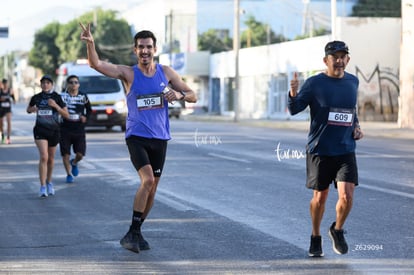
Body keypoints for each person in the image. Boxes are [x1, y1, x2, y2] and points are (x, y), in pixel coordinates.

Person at [79, 23, 197, 253]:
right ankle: (133, 232)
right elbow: (97, 64)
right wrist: (91, 44)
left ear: (154, 49)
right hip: (137, 136)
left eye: (148, 47)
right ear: (135, 50)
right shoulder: (128, 73)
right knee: (148, 181)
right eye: (141, 47)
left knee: (153, 190)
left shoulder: (167, 72)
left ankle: (136, 230)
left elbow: (193, 95)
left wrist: (180, 94)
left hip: (160, 138)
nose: (145, 51)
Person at [288, 40, 364, 257]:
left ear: (347, 60)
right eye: (335, 57)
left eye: (343, 57)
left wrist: (356, 126)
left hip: (345, 148)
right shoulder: (314, 83)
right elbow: (295, 109)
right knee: (320, 198)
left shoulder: (353, 82)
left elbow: (351, 109)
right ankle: (315, 236)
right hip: (320, 150)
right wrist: (293, 93)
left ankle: (337, 229)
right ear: (325, 60)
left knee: (347, 196)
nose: (339, 61)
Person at [27, 75, 69, 197]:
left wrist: (55, 106)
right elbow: (28, 109)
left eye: (48, 83)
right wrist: (32, 109)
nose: (45, 85)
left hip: (54, 130)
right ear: (41, 85)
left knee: (50, 158)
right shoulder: (36, 97)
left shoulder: (57, 97)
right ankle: (42, 186)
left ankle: (49, 182)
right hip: (40, 130)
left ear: (51, 84)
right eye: (43, 83)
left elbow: (66, 115)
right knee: (44, 157)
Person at [59, 75, 92, 183]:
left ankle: (74, 163)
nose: (74, 84)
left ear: (79, 84)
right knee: (66, 154)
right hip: (65, 128)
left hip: (79, 129)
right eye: (71, 82)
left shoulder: (83, 96)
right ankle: (68, 174)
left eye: (76, 82)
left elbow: (89, 110)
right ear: (67, 84)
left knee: (80, 154)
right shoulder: (62, 96)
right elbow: (55, 109)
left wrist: (85, 117)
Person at [0, 78, 16, 144]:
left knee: (9, 122)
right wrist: (1, 99)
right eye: (4, 84)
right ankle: (2, 135)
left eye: (6, 84)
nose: (5, 85)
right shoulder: (0, 91)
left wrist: (13, 100)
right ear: (2, 84)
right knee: (1, 124)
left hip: (8, 109)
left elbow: (13, 99)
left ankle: (8, 137)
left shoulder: (10, 90)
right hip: (1, 109)